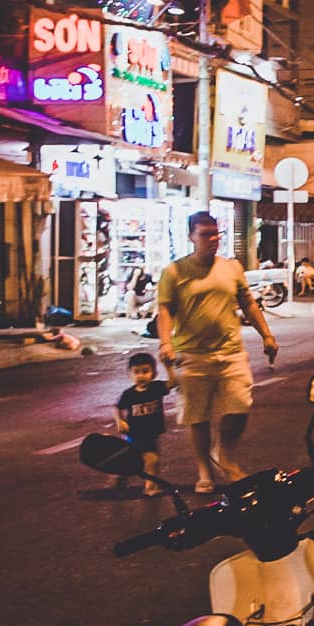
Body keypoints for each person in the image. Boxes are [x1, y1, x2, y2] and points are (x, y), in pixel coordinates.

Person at [157, 210, 279, 495]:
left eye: (216, 234)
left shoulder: (231, 267)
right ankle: (204, 471)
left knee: (240, 406)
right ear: (191, 237)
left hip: (231, 351)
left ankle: (224, 454)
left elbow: (248, 303)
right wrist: (165, 343)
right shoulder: (174, 272)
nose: (212, 240)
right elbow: (165, 310)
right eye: (205, 235)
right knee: (197, 417)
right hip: (192, 355)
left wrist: (267, 335)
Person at [111, 350, 171, 497]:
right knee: (152, 460)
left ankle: (121, 473)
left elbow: (173, 383)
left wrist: (168, 367)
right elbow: (117, 407)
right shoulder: (129, 394)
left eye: (145, 371)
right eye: (136, 372)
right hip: (135, 432)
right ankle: (150, 487)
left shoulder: (156, 388)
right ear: (129, 374)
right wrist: (120, 421)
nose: (141, 376)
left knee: (148, 459)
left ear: (154, 373)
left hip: (152, 432)